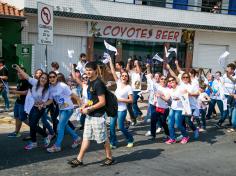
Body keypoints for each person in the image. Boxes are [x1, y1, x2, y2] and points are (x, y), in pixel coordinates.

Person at [68, 61, 114, 167]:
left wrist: (89, 109)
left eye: (90, 70)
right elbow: (93, 99)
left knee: (103, 139)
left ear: (95, 71)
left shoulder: (98, 83)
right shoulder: (90, 82)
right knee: (86, 137)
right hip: (90, 115)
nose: (88, 72)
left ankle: (109, 157)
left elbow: (102, 102)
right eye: (86, 70)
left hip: (98, 116)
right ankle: (79, 159)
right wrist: (85, 106)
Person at [14, 65, 52, 150]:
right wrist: (19, 69)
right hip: (32, 106)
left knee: (32, 124)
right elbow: (26, 76)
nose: (43, 79)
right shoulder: (35, 82)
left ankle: (46, 135)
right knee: (32, 125)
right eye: (42, 77)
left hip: (40, 108)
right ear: (40, 78)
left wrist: (41, 104)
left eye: (45, 78)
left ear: (47, 81)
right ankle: (34, 142)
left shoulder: (47, 89)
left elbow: (45, 101)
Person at [46, 71, 81, 153]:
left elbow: (73, 95)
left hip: (68, 108)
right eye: (50, 77)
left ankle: (57, 146)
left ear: (56, 77)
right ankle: (76, 138)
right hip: (61, 108)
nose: (52, 78)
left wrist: (80, 104)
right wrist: (44, 104)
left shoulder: (62, 85)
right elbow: (51, 100)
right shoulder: (50, 88)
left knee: (60, 127)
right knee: (64, 125)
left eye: (53, 76)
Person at [108, 58, 134, 149]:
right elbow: (113, 71)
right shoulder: (118, 82)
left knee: (121, 127)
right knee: (111, 126)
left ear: (127, 78)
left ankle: (130, 139)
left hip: (122, 110)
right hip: (114, 108)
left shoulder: (129, 88)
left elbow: (131, 100)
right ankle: (113, 142)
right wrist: (110, 61)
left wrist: (120, 100)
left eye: (125, 76)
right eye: (122, 75)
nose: (123, 77)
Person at [8, 67, 31, 137]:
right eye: (18, 72)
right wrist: (11, 89)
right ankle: (16, 132)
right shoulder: (19, 80)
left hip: (23, 103)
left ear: (24, 73)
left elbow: (26, 92)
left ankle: (35, 129)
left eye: (21, 72)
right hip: (18, 102)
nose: (19, 74)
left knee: (23, 118)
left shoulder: (27, 81)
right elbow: (18, 89)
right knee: (17, 117)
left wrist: (14, 91)